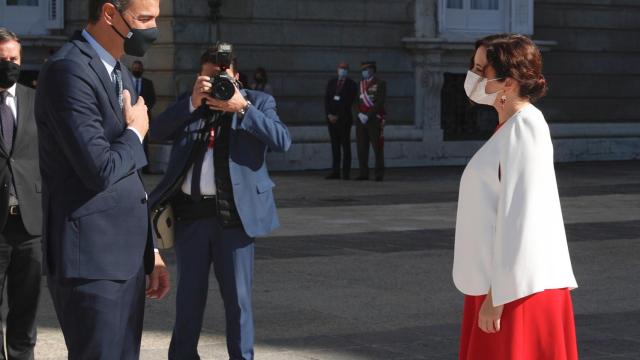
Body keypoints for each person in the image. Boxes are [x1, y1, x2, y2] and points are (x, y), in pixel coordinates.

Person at [34, 0, 170, 358]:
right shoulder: (68, 70)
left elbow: (130, 176)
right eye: (144, 18)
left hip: (124, 257)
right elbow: (100, 169)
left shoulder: (117, 71)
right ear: (110, 13)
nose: (153, 29)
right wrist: (136, 132)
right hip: (90, 259)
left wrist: (150, 249)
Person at [148, 44, 291, 360]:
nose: (217, 85)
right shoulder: (192, 106)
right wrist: (191, 102)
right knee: (189, 299)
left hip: (235, 220)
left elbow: (282, 140)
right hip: (191, 218)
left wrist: (242, 108)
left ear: (237, 77)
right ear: (200, 78)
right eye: (210, 78)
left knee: (238, 301)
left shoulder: (258, 102)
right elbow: (155, 131)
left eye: (223, 78)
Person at [453, 34, 579, 360]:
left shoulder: (525, 127)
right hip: (499, 282)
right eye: (473, 66)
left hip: (516, 290)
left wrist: (497, 297)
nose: (472, 77)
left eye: (481, 70)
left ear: (507, 82)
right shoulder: (509, 127)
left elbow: (524, 216)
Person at [0, 27, 43, 360]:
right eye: (3, 59)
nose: (10, 64)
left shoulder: (34, 100)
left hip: (29, 222)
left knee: (25, 308)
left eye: (14, 58)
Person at [324, 62, 357, 180]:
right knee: (335, 146)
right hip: (331, 120)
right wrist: (329, 115)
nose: (342, 70)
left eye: (345, 68)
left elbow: (348, 102)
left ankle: (346, 172)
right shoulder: (332, 82)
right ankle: (335, 171)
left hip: (344, 120)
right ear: (337, 69)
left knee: (345, 146)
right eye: (341, 68)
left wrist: (338, 115)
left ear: (348, 70)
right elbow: (327, 99)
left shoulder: (352, 84)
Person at [355, 61, 386, 182]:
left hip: (373, 120)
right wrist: (359, 114)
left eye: (366, 69)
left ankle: (379, 174)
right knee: (361, 147)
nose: (364, 71)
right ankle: (363, 173)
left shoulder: (380, 83)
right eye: (363, 69)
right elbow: (355, 102)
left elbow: (379, 102)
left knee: (377, 147)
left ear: (372, 70)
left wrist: (368, 115)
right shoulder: (360, 84)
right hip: (361, 120)